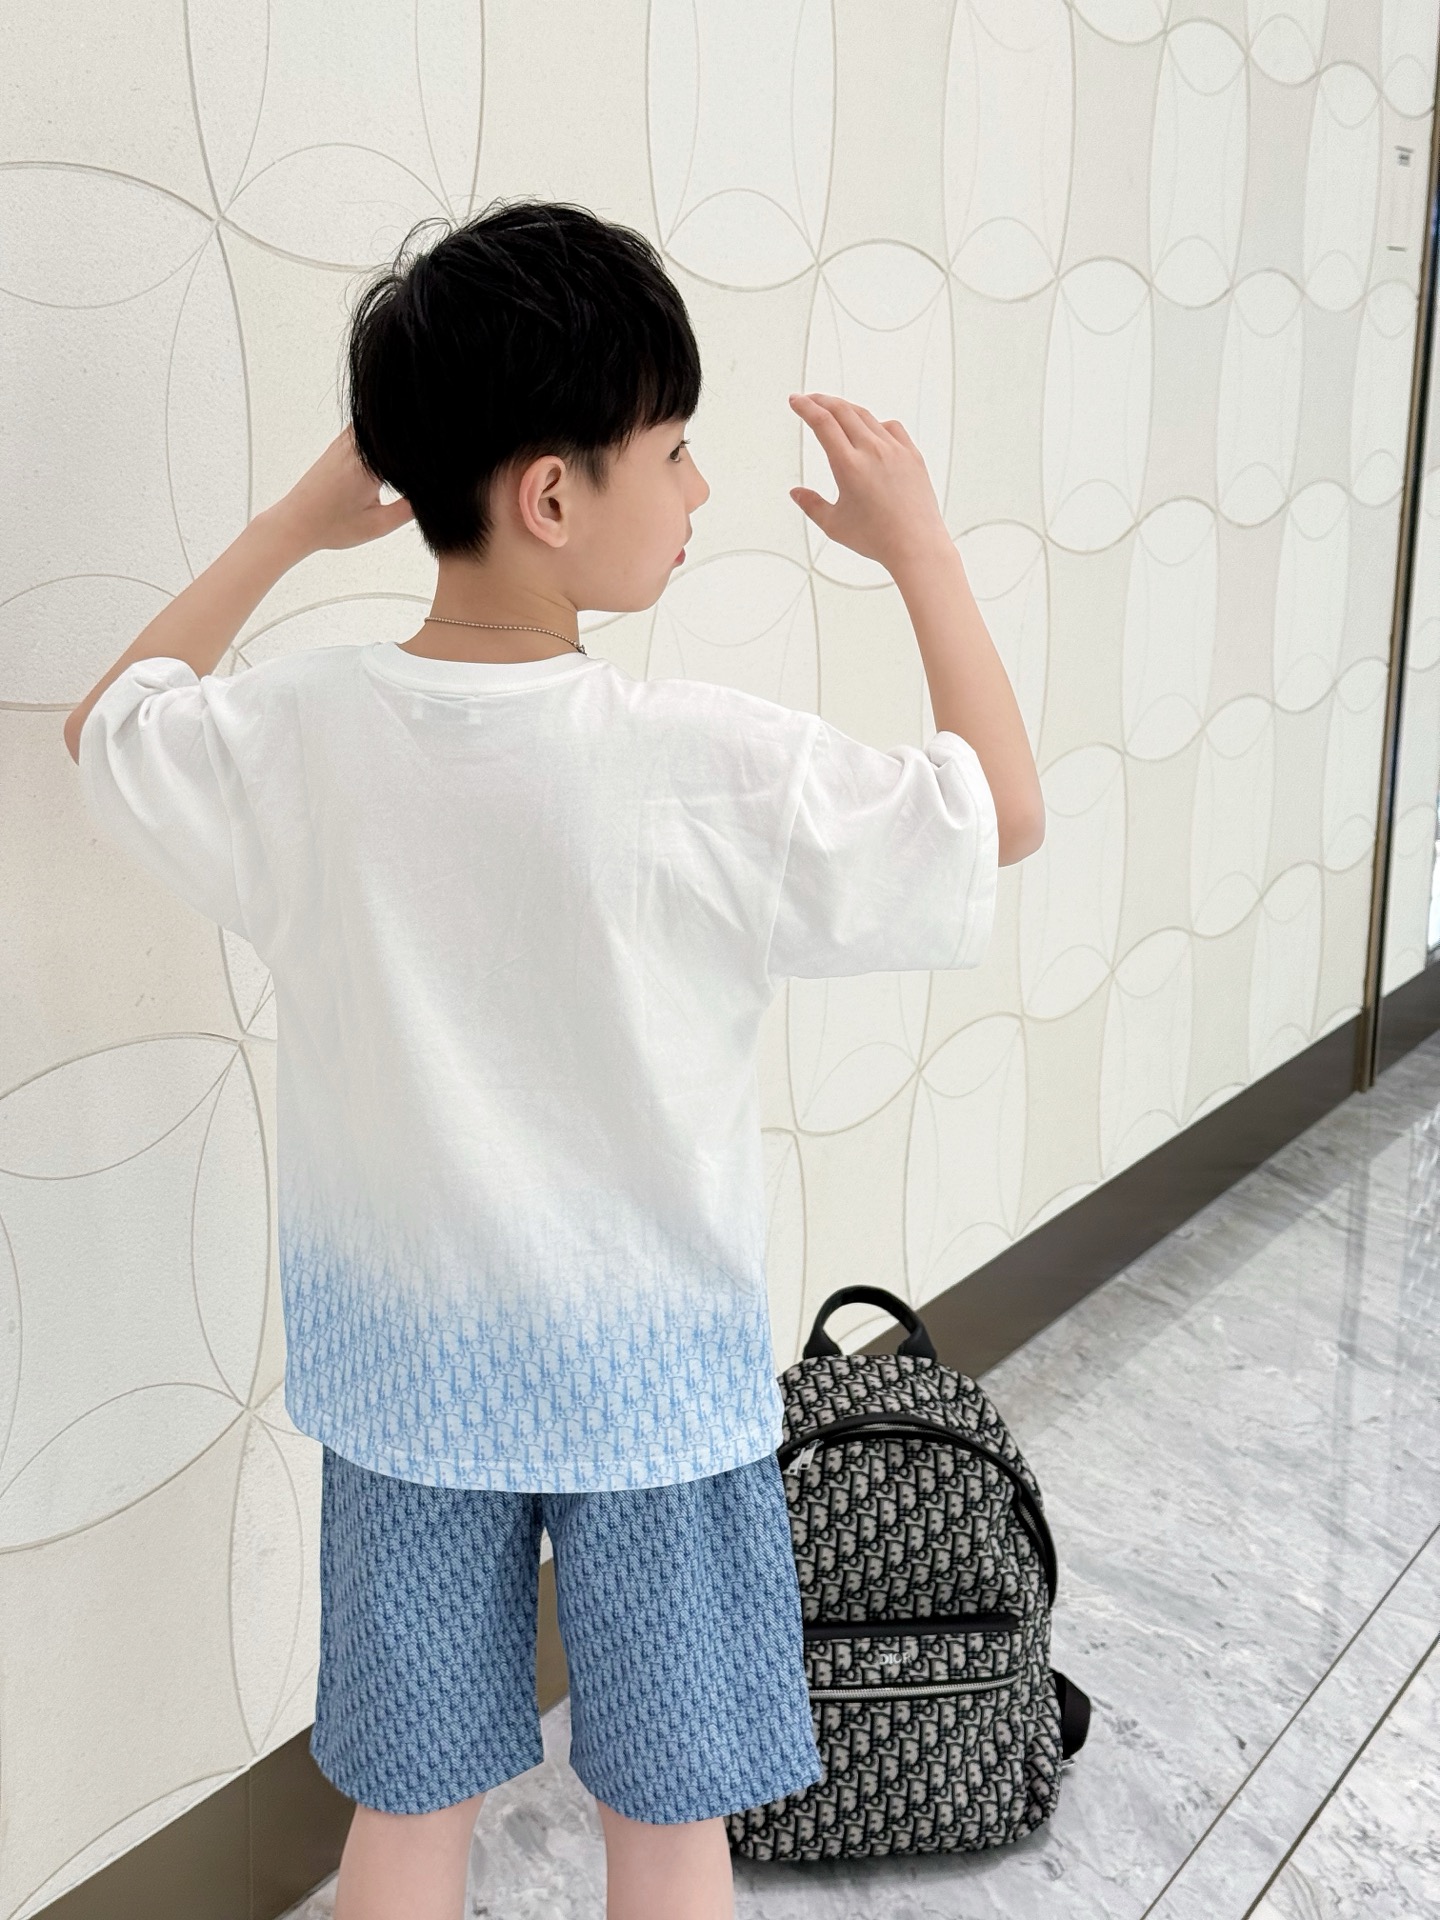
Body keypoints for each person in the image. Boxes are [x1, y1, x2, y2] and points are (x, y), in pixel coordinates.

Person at [63, 199, 1045, 1920]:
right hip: (655, 1389)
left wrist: (295, 525)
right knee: (668, 1829)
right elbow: (999, 815)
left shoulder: (304, 736)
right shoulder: (705, 765)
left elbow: (109, 726)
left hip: (407, 1376)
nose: (698, 490)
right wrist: (922, 555)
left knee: (405, 1814)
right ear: (551, 497)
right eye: (672, 451)